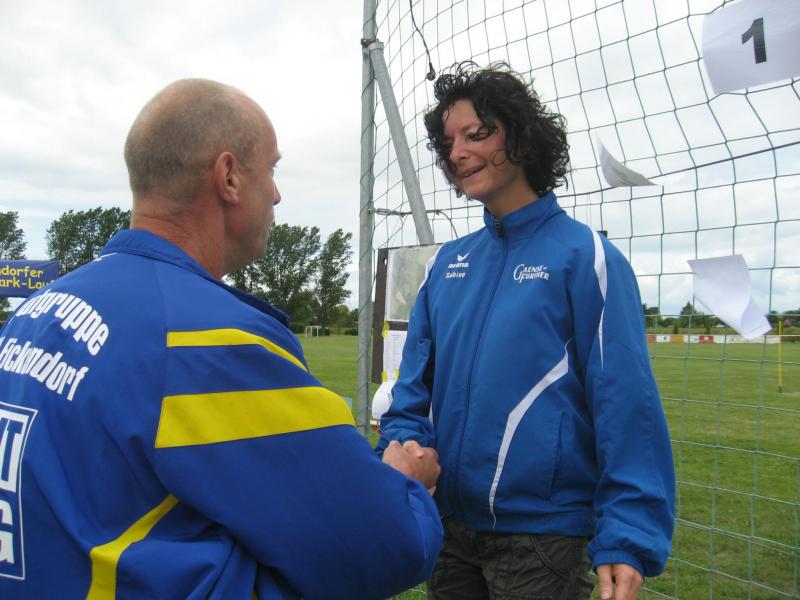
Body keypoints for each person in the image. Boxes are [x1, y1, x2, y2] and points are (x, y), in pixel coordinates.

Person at [0, 78, 443, 599]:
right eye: (272, 169)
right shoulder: (203, 338)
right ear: (229, 177)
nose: (276, 194)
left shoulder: (36, 311)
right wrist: (406, 483)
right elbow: (381, 545)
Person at [377, 62, 675, 600]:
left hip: (542, 538)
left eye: (475, 134)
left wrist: (628, 533)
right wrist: (404, 459)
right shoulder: (447, 265)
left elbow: (626, 404)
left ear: (519, 135)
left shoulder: (586, 257)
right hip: (448, 529)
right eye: (448, 142)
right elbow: (411, 391)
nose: (457, 153)